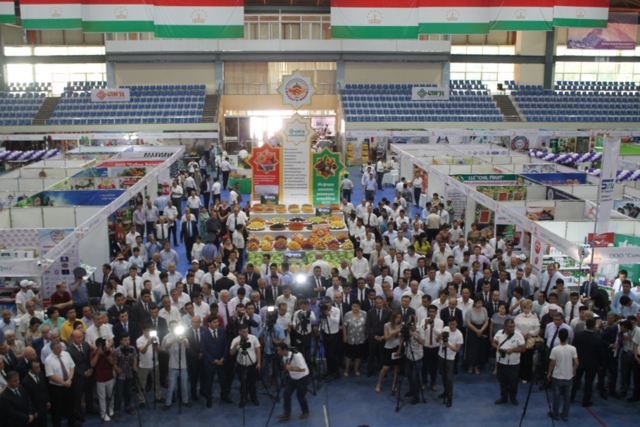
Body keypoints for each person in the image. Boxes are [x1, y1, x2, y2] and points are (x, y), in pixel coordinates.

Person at [570, 318, 605, 407]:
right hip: (591, 364)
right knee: (589, 383)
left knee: (575, 381)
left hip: (579, 361)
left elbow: (573, 348)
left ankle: (571, 397)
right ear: (594, 326)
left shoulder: (578, 335)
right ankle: (586, 401)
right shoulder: (597, 338)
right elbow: (600, 353)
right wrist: (601, 364)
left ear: (586, 325)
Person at [492, 319, 526, 406]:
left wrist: (513, 350)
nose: (512, 328)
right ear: (505, 327)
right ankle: (503, 397)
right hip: (501, 362)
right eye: (510, 327)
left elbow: (523, 348)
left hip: (513, 364)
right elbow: (493, 343)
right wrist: (497, 348)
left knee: (513, 382)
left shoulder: (518, 335)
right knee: (502, 381)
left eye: (513, 326)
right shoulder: (499, 333)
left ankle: (513, 398)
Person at [547, 329, 578, 421]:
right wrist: (574, 370)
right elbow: (576, 362)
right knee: (567, 397)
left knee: (556, 396)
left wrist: (549, 373)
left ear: (558, 337)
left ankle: (555, 414)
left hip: (557, 376)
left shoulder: (555, 349)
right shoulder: (573, 349)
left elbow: (552, 363)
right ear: (567, 337)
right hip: (568, 376)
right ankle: (565, 415)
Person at [44, 340, 78, 427]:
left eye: (60, 347)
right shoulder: (48, 360)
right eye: (58, 348)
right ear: (52, 349)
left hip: (69, 384)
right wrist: (63, 382)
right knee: (57, 408)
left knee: (71, 405)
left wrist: (70, 379)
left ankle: (72, 423)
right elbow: (50, 375)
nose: (60, 349)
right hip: (57, 388)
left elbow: (72, 366)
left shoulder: (66, 354)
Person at [276, 342, 310, 421]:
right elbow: (287, 367)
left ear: (284, 350)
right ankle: (287, 413)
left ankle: (305, 411)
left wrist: (291, 368)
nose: (278, 352)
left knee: (300, 396)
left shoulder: (297, 356)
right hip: (292, 378)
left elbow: (303, 368)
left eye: (279, 350)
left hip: (302, 378)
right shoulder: (284, 357)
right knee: (286, 393)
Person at [162, 320, 191, 410]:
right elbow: (165, 347)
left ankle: (185, 401)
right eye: (172, 327)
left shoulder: (183, 335)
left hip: (183, 366)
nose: (174, 328)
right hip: (172, 366)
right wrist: (175, 338)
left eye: (175, 326)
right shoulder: (167, 336)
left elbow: (188, 346)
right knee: (171, 386)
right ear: (169, 328)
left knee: (184, 385)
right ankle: (168, 403)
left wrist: (184, 341)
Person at [229, 324, 261, 408]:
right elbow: (231, 353)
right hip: (241, 366)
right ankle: (243, 399)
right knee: (243, 383)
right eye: (243, 332)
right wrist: (235, 345)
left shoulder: (253, 338)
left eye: (247, 331)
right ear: (239, 332)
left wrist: (259, 362)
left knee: (252, 383)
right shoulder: (235, 340)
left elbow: (258, 350)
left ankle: (254, 398)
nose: (245, 334)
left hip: (252, 365)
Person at [398, 314, 426, 404]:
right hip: (408, 354)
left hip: (417, 356)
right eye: (410, 321)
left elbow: (423, 342)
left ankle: (416, 396)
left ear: (416, 321)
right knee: (409, 374)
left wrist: (414, 336)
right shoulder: (406, 327)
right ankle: (411, 390)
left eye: (412, 321)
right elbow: (401, 336)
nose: (411, 323)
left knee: (415, 376)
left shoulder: (420, 329)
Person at [437, 317, 463, 407]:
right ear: (448, 323)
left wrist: (449, 345)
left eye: (454, 324)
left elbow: (457, 349)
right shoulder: (445, 329)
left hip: (450, 358)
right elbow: (437, 340)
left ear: (457, 324)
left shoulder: (459, 334)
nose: (452, 326)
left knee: (449, 378)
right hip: (441, 355)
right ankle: (445, 391)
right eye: (450, 324)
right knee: (443, 375)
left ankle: (449, 397)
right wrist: (439, 337)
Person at [375, 310, 402, 393]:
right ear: (393, 317)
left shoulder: (401, 326)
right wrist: (393, 333)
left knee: (396, 368)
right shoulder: (387, 325)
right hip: (389, 348)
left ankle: (394, 385)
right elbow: (386, 339)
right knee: (386, 367)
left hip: (397, 347)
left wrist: (399, 349)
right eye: (396, 317)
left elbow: (402, 339)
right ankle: (379, 383)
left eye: (399, 318)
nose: (398, 319)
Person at [514, 300, 540, 384]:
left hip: (529, 340)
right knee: (519, 357)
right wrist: (520, 333)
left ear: (531, 308)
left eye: (528, 308)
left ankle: (526, 376)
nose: (526, 310)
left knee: (528, 358)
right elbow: (515, 327)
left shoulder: (534, 318)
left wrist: (528, 333)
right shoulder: (518, 317)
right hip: (519, 339)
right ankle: (518, 374)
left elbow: (537, 330)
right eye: (524, 308)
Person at [136, 323, 162, 405]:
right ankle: (142, 400)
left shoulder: (156, 337)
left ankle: (158, 397)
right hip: (144, 365)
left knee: (157, 382)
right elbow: (142, 351)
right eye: (147, 331)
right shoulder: (139, 340)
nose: (149, 332)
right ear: (143, 331)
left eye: (150, 331)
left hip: (155, 364)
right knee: (142, 383)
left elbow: (159, 350)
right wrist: (147, 344)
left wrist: (156, 345)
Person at [21, 359, 50, 427]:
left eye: (39, 366)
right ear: (30, 369)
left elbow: (45, 388)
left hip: (43, 406)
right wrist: (33, 411)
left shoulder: (40, 374)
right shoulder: (26, 382)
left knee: (44, 423)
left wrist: (47, 400)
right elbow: (28, 398)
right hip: (36, 408)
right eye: (36, 368)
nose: (39, 369)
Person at [464, 297, 489, 375]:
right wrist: (477, 330)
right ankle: (471, 365)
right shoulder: (469, 311)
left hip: (482, 329)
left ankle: (477, 366)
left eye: (481, 303)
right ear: (475, 303)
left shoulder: (484, 310)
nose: (480, 304)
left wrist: (481, 330)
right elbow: (468, 323)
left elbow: (486, 321)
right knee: (472, 349)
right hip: (472, 331)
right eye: (479, 303)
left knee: (480, 349)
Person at [342, 301, 367, 377]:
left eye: (357, 306)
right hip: (350, 338)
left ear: (360, 307)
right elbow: (344, 326)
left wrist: (367, 334)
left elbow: (367, 325)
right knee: (349, 355)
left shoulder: (364, 314)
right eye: (354, 306)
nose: (355, 308)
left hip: (361, 338)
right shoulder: (347, 315)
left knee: (358, 355)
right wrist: (345, 336)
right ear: (351, 307)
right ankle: (347, 369)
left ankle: (356, 368)